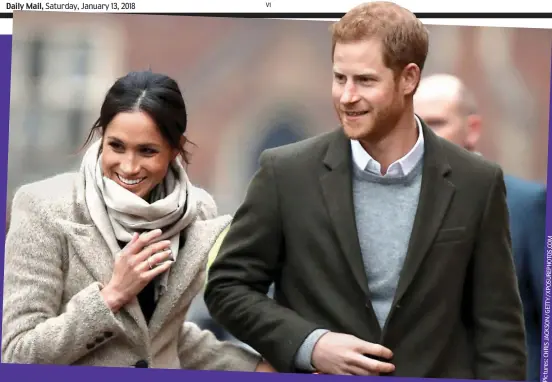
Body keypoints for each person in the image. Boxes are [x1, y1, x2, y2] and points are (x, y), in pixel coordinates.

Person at [204, 2, 527, 379]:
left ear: (409, 79)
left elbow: (499, 332)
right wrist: (311, 344)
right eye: (340, 78)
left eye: (365, 80)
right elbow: (228, 286)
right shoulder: (286, 172)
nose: (346, 96)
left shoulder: (478, 181)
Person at [1, 70, 275, 371]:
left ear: (174, 149)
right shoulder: (43, 207)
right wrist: (111, 296)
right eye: (116, 146)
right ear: (101, 136)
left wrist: (255, 368)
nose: (129, 167)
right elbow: (18, 353)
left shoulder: (196, 212)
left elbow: (161, 338)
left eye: (147, 151)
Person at [414, 73, 546, 381]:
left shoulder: (526, 204)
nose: (423, 137)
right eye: (414, 125)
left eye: (436, 123)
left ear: (472, 129)